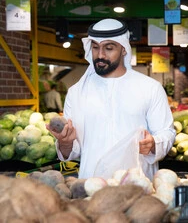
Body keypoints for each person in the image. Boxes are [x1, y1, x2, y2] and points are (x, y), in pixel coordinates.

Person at [46, 18, 176, 180]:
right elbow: (73, 151)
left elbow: (166, 132)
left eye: (108, 48)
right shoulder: (76, 93)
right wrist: (65, 142)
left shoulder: (150, 88)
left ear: (123, 49)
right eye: (95, 47)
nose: (100, 55)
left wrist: (153, 144)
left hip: (138, 187)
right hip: (92, 187)